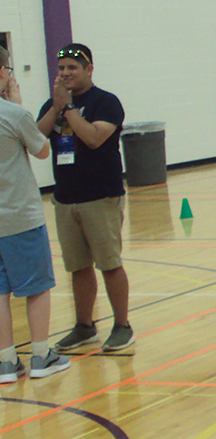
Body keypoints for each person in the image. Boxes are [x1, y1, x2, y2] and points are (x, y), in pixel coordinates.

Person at [38, 44, 133, 353]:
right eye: (61, 68)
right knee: (77, 266)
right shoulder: (51, 105)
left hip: (100, 196)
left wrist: (67, 109)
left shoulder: (106, 102)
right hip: (66, 197)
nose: (66, 73)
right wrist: (57, 107)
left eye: (72, 68)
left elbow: (93, 138)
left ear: (89, 69)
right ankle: (84, 326)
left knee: (109, 263)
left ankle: (122, 326)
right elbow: (37, 140)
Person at [0, 45, 68, 384]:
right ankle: (41, 354)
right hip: (19, 216)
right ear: (2, 74)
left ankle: (6, 361)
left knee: (0, 291)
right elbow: (42, 150)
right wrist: (17, 106)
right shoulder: (12, 114)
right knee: (37, 287)